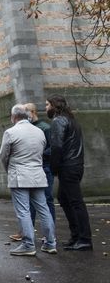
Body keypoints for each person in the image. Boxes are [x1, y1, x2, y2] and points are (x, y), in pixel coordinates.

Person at [0, 104, 56, 256]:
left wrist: (9, 169)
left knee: (23, 211)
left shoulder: (10, 132)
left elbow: (3, 156)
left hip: (19, 176)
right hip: (38, 174)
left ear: (14, 117)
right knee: (43, 209)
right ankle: (50, 243)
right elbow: (42, 151)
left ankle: (28, 244)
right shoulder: (39, 132)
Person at [47, 95, 92, 251]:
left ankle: (85, 239)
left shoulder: (58, 121)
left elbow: (57, 147)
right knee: (64, 198)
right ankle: (76, 236)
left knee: (75, 202)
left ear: (54, 105)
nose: (46, 108)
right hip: (76, 165)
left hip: (68, 166)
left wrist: (54, 169)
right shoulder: (72, 120)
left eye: (47, 104)